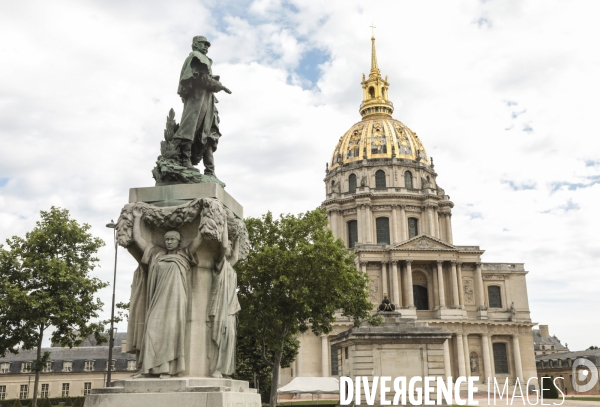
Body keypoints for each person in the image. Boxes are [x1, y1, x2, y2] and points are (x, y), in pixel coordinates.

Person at [130, 207, 202, 378]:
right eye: (167, 239)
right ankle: (146, 368)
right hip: (157, 299)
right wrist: (137, 218)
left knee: (171, 334)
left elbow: (199, 238)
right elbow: (138, 239)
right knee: (151, 331)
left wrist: (205, 218)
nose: (169, 242)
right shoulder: (156, 254)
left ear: (179, 242)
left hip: (176, 301)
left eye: (172, 239)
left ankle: (166, 369)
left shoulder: (184, 254)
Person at [174, 36, 232, 174]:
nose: (206, 47)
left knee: (208, 130)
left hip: (207, 98)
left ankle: (210, 170)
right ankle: (184, 159)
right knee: (190, 126)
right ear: (195, 45)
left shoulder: (203, 58)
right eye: (203, 44)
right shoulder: (196, 56)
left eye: (207, 45)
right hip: (197, 97)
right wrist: (219, 85)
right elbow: (202, 79)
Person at [208, 216, 242, 378]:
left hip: (230, 307)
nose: (229, 247)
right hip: (221, 306)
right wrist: (224, 225)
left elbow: (235, 256)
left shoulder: (229, 265)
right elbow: (222, 247)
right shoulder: (220, 263)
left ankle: (225, 369)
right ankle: (215, 368)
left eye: (230, 245)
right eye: (227, 245)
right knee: (220, 338)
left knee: (230, 338)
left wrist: (236, 238)